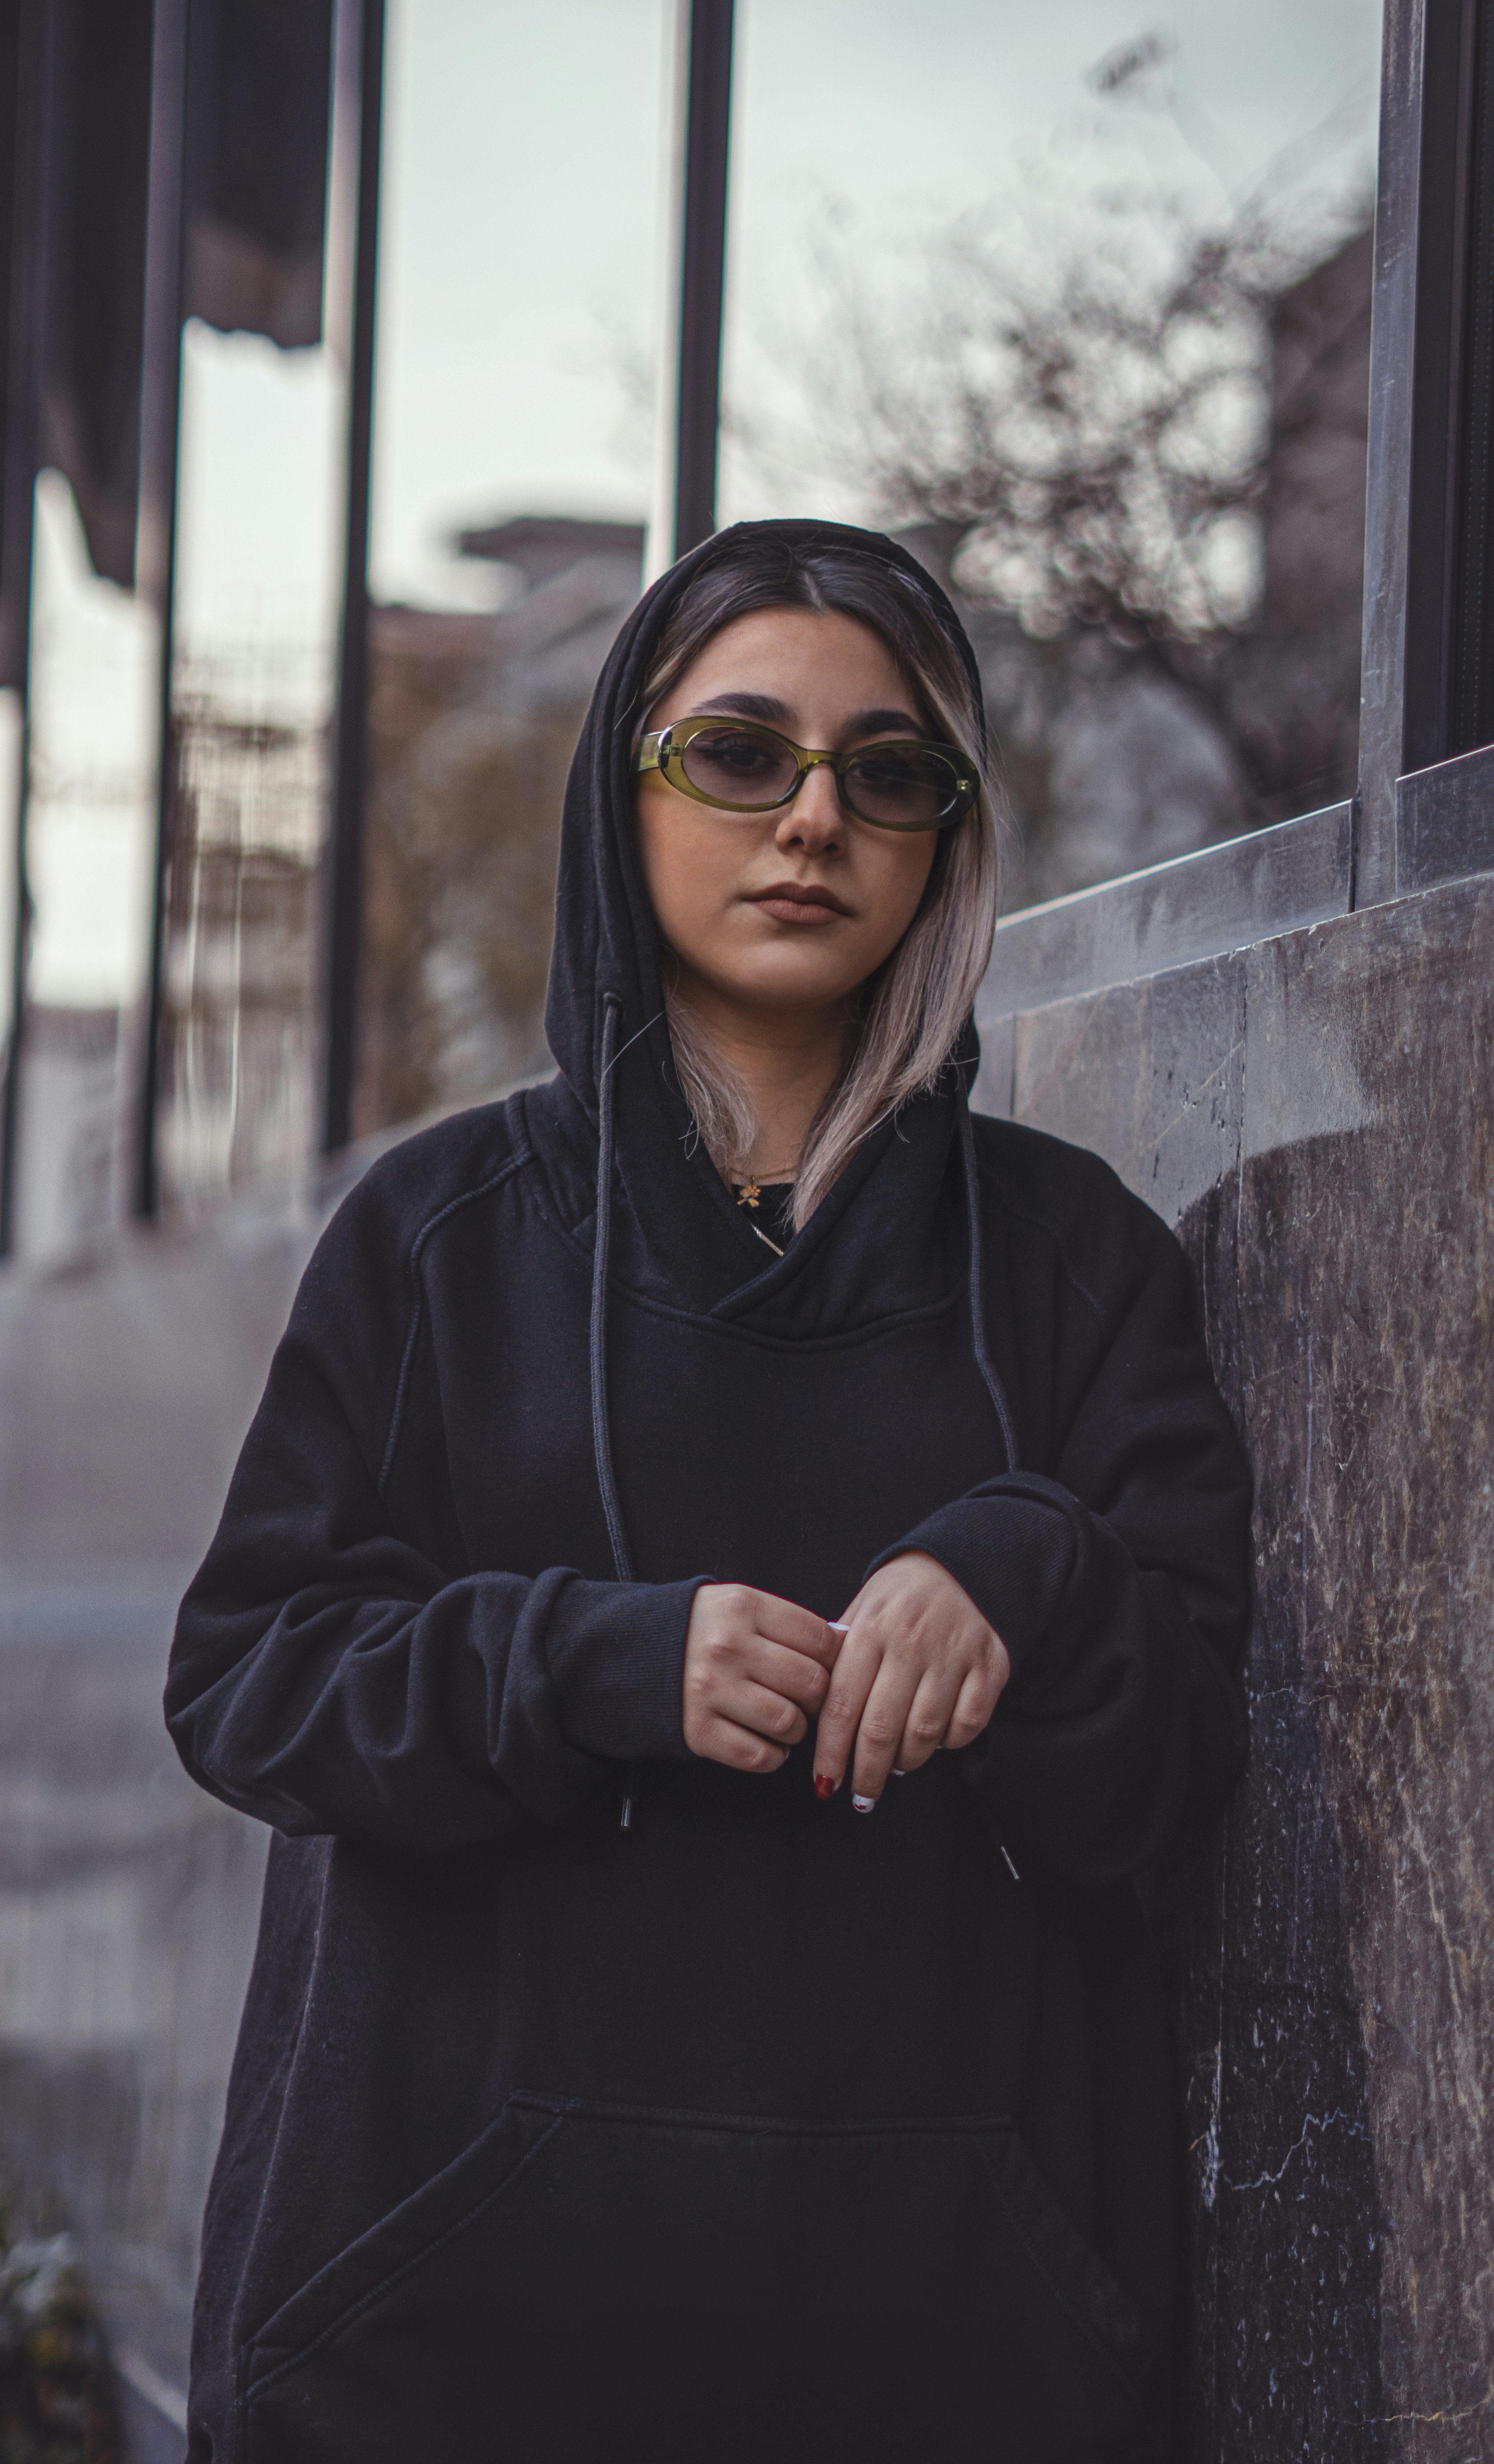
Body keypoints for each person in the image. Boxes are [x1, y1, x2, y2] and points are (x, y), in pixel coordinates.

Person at [166, 518, 1251, 2464]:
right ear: (628, 785)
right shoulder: (437, 1238)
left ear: (945, 839)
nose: (811, 820)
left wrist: (1028, 1578)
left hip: (955, 2364)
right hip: (457, 2355)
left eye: (887, 772)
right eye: (739, 754)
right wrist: (598, 1665)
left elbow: (1173, 1795)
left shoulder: (1085, 1267)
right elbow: (251, 1681)